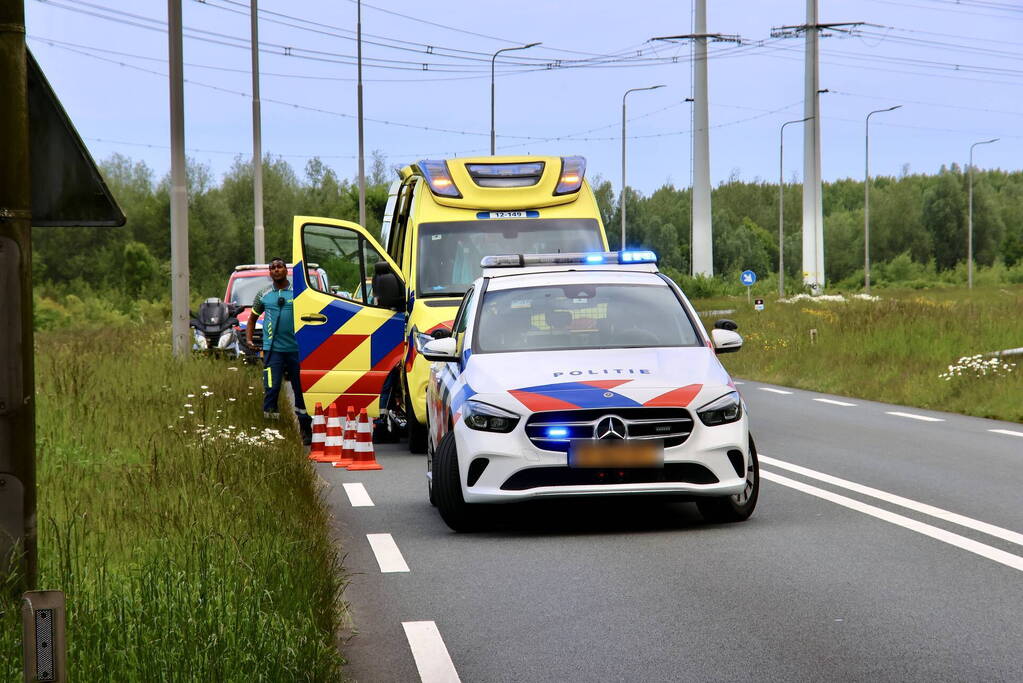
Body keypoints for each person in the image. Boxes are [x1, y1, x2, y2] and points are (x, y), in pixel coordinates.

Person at [245, 258, 313, 445]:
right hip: (272, 351)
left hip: (296, 351)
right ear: (270, 272)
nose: (276, 270)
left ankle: (306, 430)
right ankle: (271, 433)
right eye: (272, 268)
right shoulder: (263, 294)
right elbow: (252, 319)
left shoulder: (297, 292)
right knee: (271, 389)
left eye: (279, 266)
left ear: (286, 270)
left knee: (300, 391)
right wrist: (249, 339)